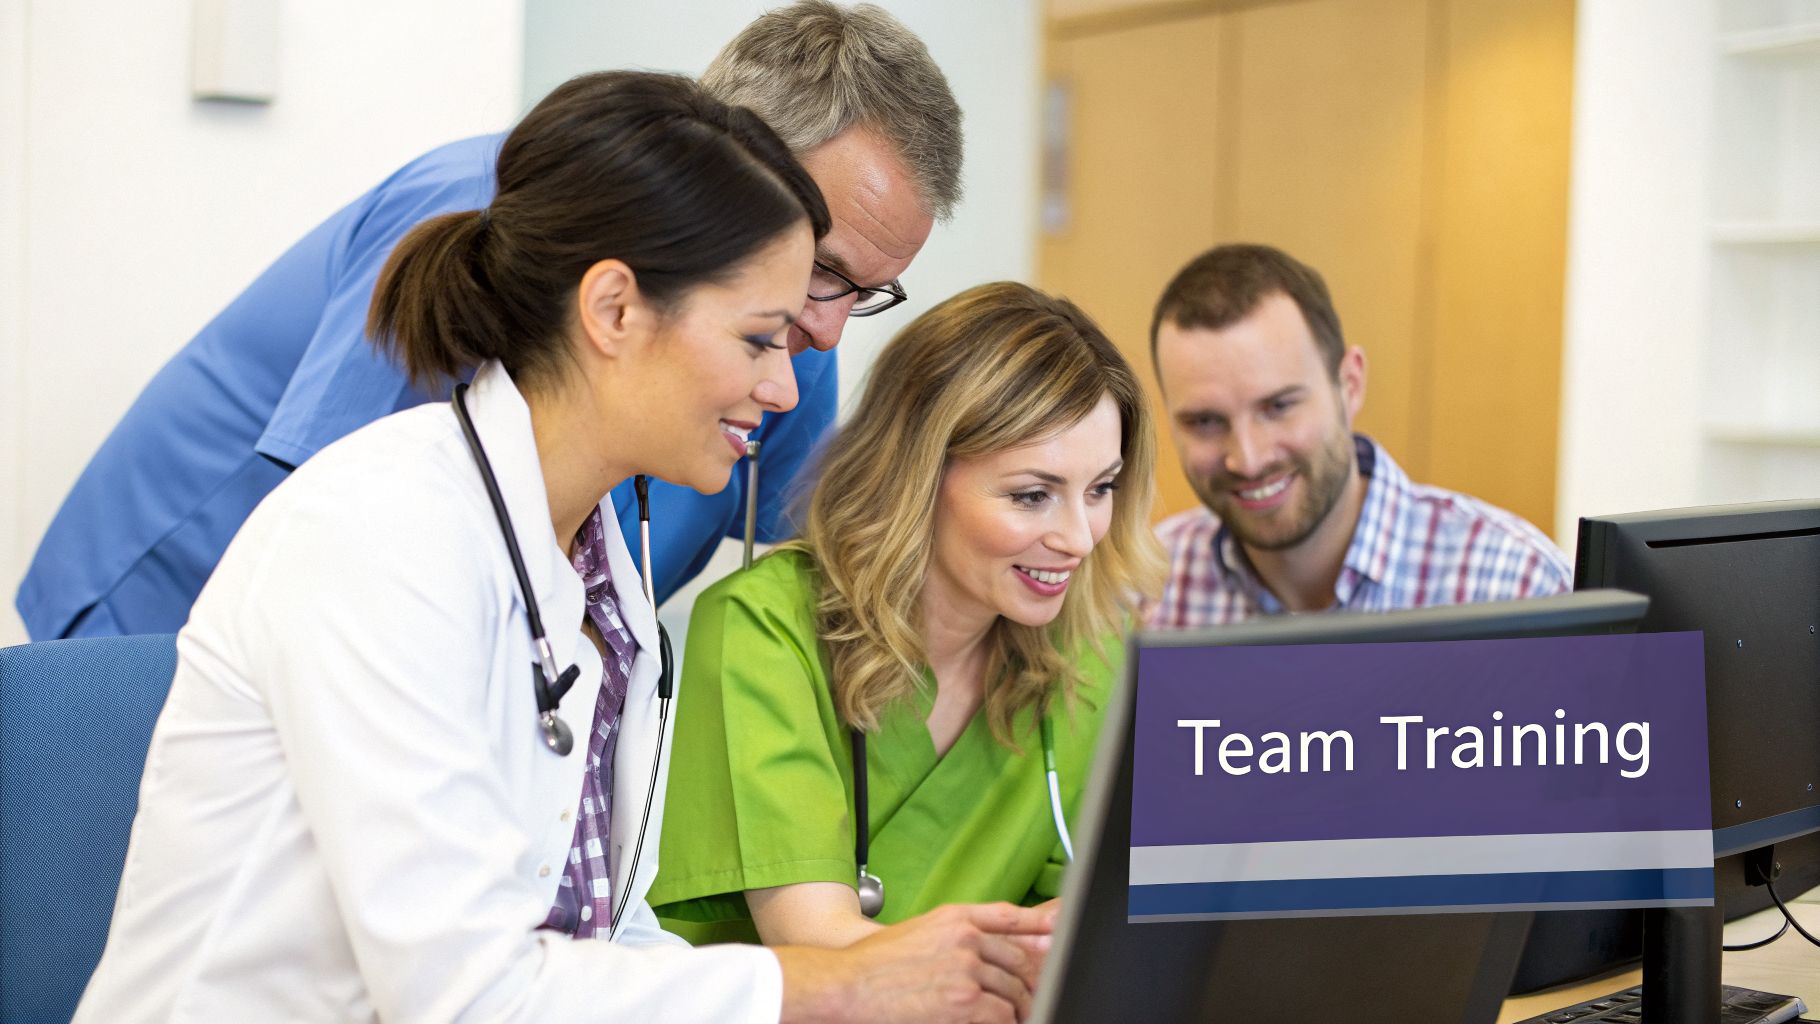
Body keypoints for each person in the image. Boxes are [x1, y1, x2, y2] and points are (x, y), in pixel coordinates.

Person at [75, 72, 1047, 1024]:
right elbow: (466, 995)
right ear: (614, 309)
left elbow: (604, 940)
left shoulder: (600, 569)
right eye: (759, 340)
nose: (790, 391)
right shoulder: (378, 533)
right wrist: (829, 986)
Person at [17, 0, 959, 639]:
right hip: (180, 612)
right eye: (825, 267)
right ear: (733, 153)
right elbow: (335, 538)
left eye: (862, 291)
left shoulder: (793, 344)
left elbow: (831, 572)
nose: (825, 331)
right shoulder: (491, 212)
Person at [649, 282, 1165, 947]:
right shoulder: (763, 628)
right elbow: (823, 954)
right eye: (1033, 495)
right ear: (917, 475)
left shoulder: (1096, 651)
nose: (1078, 537)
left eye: (1100, 489)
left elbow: (1088, 938)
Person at [1145, 243, 1571, 629]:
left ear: (1350, 384)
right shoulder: (1140, 592)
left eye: (1278, 407)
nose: (1249, 458)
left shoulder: (1515, 586)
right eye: (1205, 422)